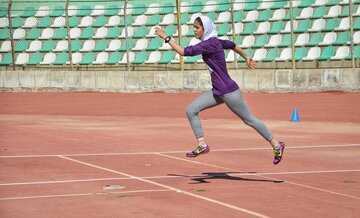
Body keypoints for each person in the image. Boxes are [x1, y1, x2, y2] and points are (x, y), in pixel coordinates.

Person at [155, 16, 285, 164]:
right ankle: (202, 144)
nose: (194, 30)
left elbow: (184, 52)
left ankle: (276, 144)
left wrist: (165, 37)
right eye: (194, 27)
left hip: (228, 92)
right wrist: (246, 56)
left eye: (197, 27)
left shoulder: (210, 43)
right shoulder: (215, 41)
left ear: (206, 28)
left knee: (249, 120)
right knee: (191, 110)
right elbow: (231, 44)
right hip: (218, 91)